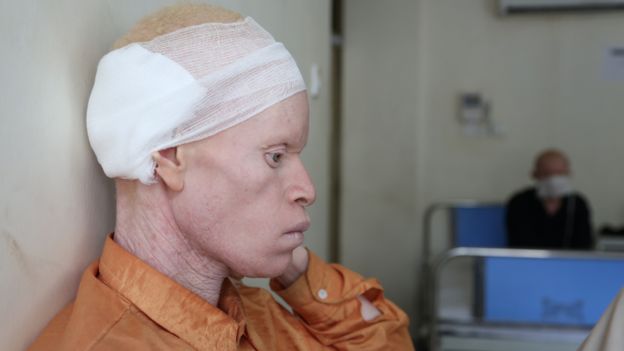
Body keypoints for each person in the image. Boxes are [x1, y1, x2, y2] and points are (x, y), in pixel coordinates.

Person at [28, 4, 414, 351]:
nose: (307, 190)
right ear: (170, 156)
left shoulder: (253, 313)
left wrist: (291, 265)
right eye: (275, 156)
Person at [506, 149, 593, 249]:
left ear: (568, 173)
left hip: (568, 262)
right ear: (535, 174)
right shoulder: (519, 202)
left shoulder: (577, 204)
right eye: (547, 174)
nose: (553, 179)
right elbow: (520, 243)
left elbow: (584, 244)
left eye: (559, 173)